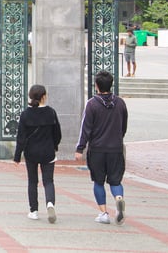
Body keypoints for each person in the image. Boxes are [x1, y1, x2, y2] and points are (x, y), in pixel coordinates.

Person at [75, 70, 129, 225]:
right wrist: (119, 138)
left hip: (97, 149)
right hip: (116, 149)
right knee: (115, 181)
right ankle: (119, 199)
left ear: (96, 85)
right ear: (111, 84)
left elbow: (86, 128)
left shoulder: (92, 104)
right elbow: (123, 126)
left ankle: (104, 213)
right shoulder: (120, 103)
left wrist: (80, 148)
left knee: (98, 182)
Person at [14, 84, 62, 223]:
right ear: (43, 97)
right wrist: (55, 145)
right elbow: (57, 133)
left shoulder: (26, 114)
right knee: (48, 181)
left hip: (31, 153)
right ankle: (50, 203)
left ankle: (33, 210)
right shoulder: (51, 112)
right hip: (48, 152)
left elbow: (21, 137)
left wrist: (17, 156)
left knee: (32, 181)